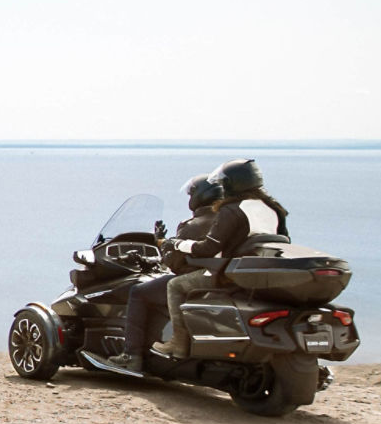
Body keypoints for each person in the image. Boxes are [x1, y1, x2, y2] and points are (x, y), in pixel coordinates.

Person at [161, 158, 290, 356]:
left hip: (228, 274)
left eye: (223, 182)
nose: (221, 186)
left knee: (175, 285)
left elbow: (208, 249)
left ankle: (178, 342)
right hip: (259, 273)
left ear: (232, 183)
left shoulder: (232, 209)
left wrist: (177, 244)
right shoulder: (274, 209)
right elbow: (284, 241)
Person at [98, 174, 223, 373]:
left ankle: (131, 355)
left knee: (138, 293)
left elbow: (174, 263)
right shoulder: (224, 220)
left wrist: (160, 244)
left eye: (192, 194)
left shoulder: (193, 225)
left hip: (194, 280)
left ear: (200, 197)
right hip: (219, 279)